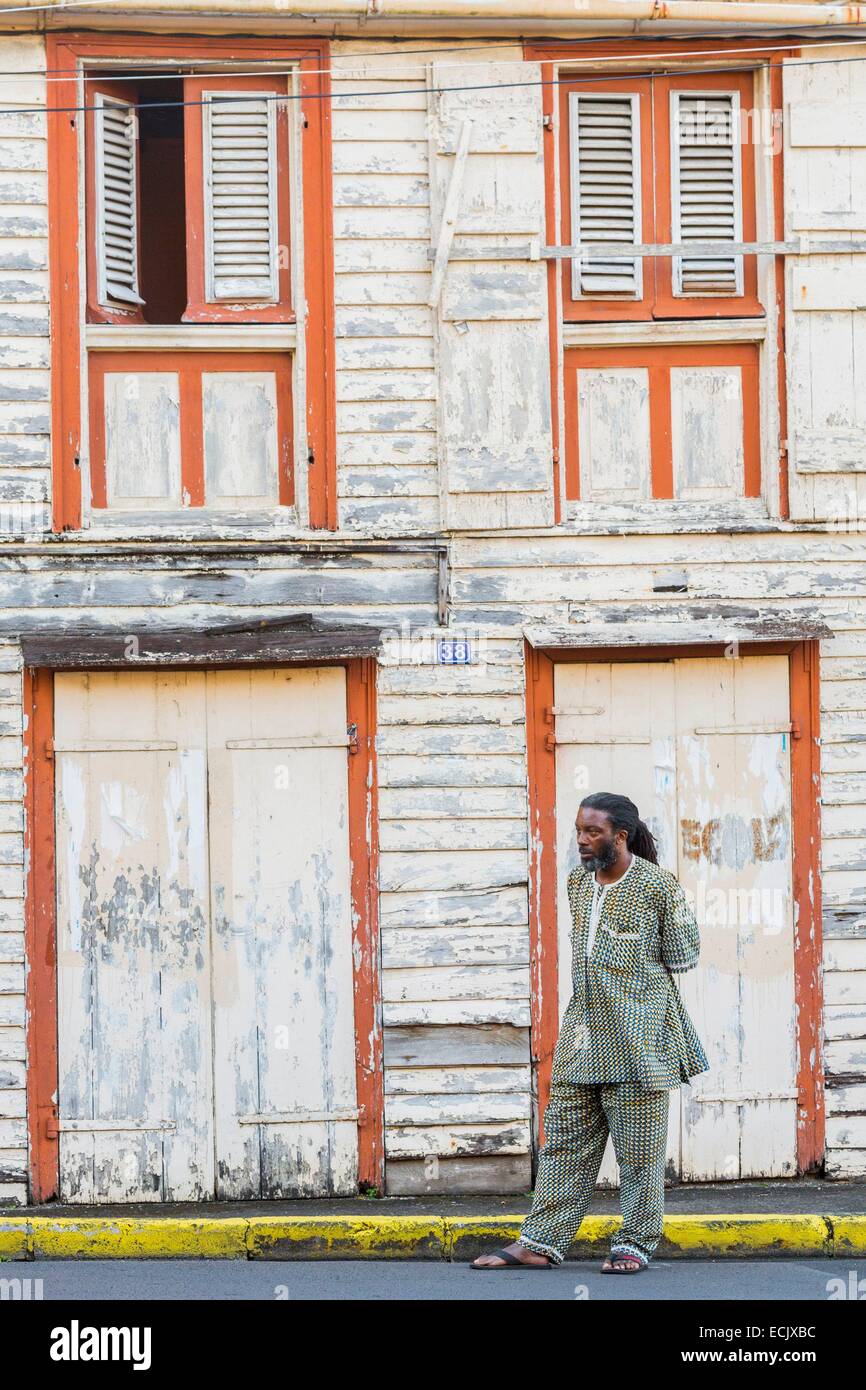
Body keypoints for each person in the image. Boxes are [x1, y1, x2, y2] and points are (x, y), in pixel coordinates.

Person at [471, 791, 709, 1274]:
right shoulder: (578, 884)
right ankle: (540, 1242)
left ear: (620, 836)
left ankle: (634, 1244)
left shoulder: (658, 886)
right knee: (563, 1143)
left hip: (641, 1040)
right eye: (579, 830)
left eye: (592, 831)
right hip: (582, 1037)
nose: (581, 840)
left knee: (639, 1155)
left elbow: (684, 957)